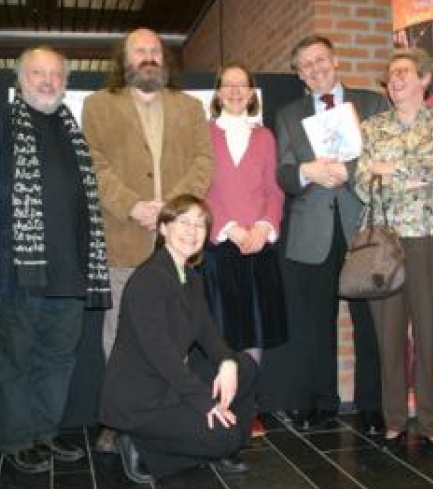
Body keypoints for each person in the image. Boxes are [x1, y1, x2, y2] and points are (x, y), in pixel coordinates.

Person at [0, 46, 111, 474]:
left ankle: (45, 433)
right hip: (16, 267)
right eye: (38, 73)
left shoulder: (71, 128)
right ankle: (17, 439)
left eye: (56, 74)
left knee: (57, 359)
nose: (48, 81)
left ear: (65, 82)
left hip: (70, 269)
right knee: (12, 359)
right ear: (20, 80)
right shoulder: (0, 124)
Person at [81, 27, 213, 451]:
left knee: (175, 335)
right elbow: (93, 164)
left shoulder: (190, 107)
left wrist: (171, 210)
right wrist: (132, 205)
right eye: (139, 50)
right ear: (125, 59)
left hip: (176, 244)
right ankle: (119, 420)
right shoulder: (98, 105)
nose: (149, 56)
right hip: (124, 235)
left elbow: (203, 161)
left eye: (155, 50)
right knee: (119, 333)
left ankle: (167, 414)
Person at [271, 34, 388, 433]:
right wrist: (307, 172)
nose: (315, 69)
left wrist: (347, 172)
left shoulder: (372, 104)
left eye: (320, 60)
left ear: (334, 60)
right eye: (305, 65)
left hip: (362, 229)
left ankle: (372, 405)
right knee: (316, 325)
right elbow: (284, 173)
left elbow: (386, 158)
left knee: (369, 322)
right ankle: (323, 403)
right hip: (312, 233)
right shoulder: (288, 115)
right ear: (299, 74)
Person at [100, 194, 258, 483]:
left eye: (200, 225)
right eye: (183, 222)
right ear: (164, 228)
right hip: (140, 401)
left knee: (244, 365)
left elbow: (210, 336)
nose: (192, 231)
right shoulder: (149, 278)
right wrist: (205, 403)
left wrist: (227, 363)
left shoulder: (190, 278)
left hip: (169, 388)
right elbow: (162, 357)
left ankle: (212, 439)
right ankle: (139, 444)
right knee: (226, 438)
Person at [355, 48, 433, 458]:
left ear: (424, 78)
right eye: (391, 74)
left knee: (431, 332)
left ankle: (432, 423)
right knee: (389, 336)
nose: (395, 79)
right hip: (386, 241)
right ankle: (395, 422)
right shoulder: (372, 127)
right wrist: (417, 171)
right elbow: (362, 183)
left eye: (403, 72)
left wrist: (393, 170)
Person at [202, 63, 286, 418]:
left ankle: (247, 408)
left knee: (254, 332)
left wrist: (263, 228)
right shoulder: (202, 134)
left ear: (252, 92)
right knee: (222, 332)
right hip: (219, 247)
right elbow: (200, 189)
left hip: (258, 248)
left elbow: (274, 191)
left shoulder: (265, 137)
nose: (235, 92)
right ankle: (223, 407)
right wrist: (229, 228)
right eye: (228, 85)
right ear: (218, 92)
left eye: (242, 85)